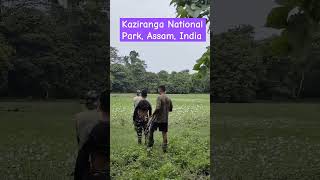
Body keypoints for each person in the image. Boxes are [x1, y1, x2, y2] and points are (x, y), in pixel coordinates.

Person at [74, 90, 109, 180]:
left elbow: (79, 139)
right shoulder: (101, 116)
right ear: (97, 102)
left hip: (84, 154)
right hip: (97, 156)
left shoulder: (78, 116)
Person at [147, 85, 173, 153]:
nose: (158, 91)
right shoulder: (169, 98)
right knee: (164, 133)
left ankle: (150, 146)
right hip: (165, 119)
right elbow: (170, 109)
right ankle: (164, 149)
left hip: (157, 119)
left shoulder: (159, 97)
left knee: (151, 130)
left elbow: (158, 108)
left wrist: (152, 114)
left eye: (158, 89)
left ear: (160, 90)